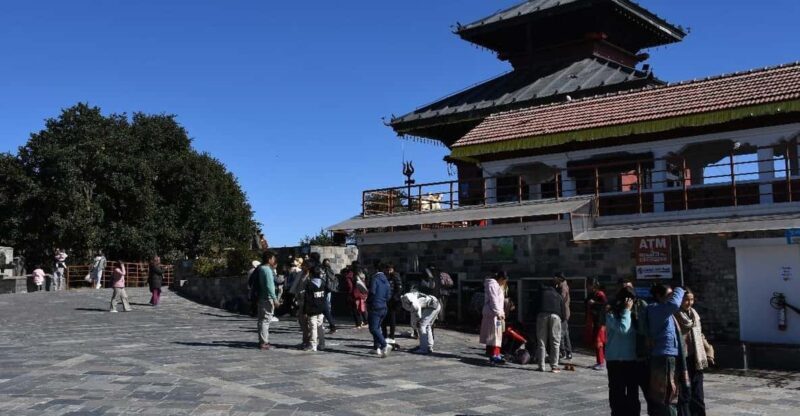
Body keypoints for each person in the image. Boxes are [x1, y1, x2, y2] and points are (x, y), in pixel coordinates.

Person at [646, 283, 687, 416]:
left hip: (666, 354)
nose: (672, 297)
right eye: (669, 295)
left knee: (665, 393)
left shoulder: (662, 310)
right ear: (659, 296)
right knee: (667, 393)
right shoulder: (656, 309)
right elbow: (675, 304)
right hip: (664, 355)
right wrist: (679, 289)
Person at [675, 288, 713, 416]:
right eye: (686, 300)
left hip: (697, 358)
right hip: (682, 359)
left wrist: (708, 350)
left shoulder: (694, 314)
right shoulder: (675, 316)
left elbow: (699, 334)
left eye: (691, 299)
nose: (689, 302)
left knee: (698, 395)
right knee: (685, 394)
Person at [606, 287, 639, 416]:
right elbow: (623, 329)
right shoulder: (611, 314)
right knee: (617, 393)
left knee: (632, 393)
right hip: (615, 359)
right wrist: (626, 310)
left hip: (631, 359)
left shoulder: (635, 313)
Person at [535, 278, 566, 373]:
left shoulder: (541, 294)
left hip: (542, 315)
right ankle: (554, 366)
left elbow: (533, 306)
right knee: (555, 342)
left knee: (541, 341)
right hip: (556, 316)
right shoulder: (558, 295)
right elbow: (563, 311)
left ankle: (541, 366)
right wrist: (563, 319)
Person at [480, 271, 508, 364]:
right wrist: (498, 312)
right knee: (495, 335)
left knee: (496, 335)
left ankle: (494, 353)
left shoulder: (497, 286)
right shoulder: (492, 285)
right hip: (493, 314)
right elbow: (494, 300)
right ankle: (494, 354)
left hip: (496, 314)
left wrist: (501, 312)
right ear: (501, 279)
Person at [401, 290, 440, 354]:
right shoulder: (412, 296)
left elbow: (417, 310)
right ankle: (429, 346)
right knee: (427, 325)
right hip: (436, 304)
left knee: (421, 325)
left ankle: (423, 348)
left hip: (432, 305)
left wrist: (417, 322)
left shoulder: (410, 300)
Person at [367, 263, 393, 358]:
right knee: (377, 328)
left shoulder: (375, 279)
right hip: (384, 307)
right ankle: (376, 348)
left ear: (375, 270)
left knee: (373, 328)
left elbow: (372, 292)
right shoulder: (386, 281)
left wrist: (368, 301)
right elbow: (388, 296)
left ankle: (384, 345)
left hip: (375, 306)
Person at [255, 251, 279, 350]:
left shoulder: (260, 268)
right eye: (273, 258)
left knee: (261, 320)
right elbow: (270, 286)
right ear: (269, 259)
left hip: (261, 297)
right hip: (267, 298)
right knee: (266, 320)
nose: (274, 260)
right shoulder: (267, 270)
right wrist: (275, 299)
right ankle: (264, 342)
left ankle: (262, 340)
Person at [303, 265, 327, 352]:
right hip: (321, 308)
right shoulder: (323, 283)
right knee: (320, 327)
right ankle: (322, 343)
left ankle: (313, 345)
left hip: (312, 309)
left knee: (313, 327)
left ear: (311, 274)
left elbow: (307, 299)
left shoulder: (310, 284)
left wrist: (305, 311)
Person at [586, 278, 608, 370]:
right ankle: (600, 361)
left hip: (600, 321)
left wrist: (594, 303)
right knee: (597, 341)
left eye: (589, 285)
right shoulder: (593, 294)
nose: (587, 287)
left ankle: (601, 362)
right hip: (595, 320)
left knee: (599, 341)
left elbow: (604, 305)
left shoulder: (600, 294)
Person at [382, 263, 403, 342]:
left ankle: (392, 336)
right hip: (384, 300)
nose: (388, 271)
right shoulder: (383, 276)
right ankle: (384, 335)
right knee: (383, 319)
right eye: (387, 269)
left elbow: (399, 289)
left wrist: (394, 297)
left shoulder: (395, 276)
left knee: (392, 319)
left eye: (390, 269)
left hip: (392, 301)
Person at [343, 261, 368, 329]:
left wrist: (349, 295)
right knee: (362, 308)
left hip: (355, 294)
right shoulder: (362, 274)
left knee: (355, 309)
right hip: (362, 293)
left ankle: (358, 324)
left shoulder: (350, 275)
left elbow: (350, 286)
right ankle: (365, 321)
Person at [556, 272, 573, 360]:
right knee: (564, 333)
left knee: (563, 333)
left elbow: (561, 299)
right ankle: (566, 352)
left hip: (563, 313)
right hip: (564, 312)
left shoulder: (562, 286)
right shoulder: (562, 285)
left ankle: (565, 351)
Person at [321, 258, 337, 334]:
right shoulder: (330, 270)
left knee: (326, 304)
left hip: (325, 289)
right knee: (327, 304)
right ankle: (328, 321)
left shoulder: (324, 270)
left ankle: (327, 320)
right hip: (329, 289)